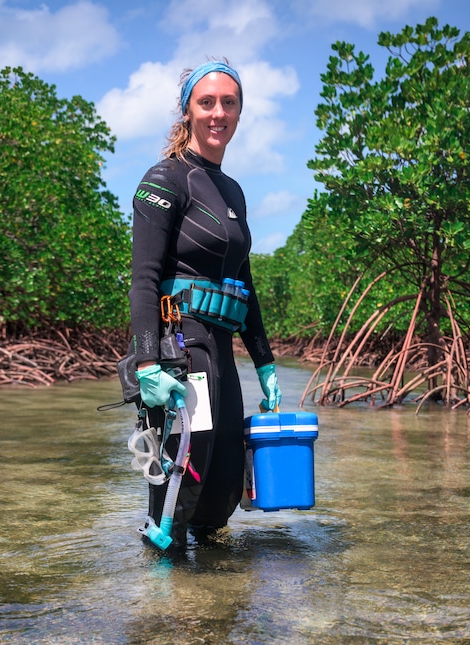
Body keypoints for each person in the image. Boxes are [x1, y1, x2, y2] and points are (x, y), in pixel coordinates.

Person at [129, 60, 282, 549]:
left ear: (239, 113)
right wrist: (148, 363)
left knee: (222, 491)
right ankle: (160, 594)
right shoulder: (166, 179)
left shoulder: (232, 189)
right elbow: (144, 279)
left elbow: (245, 283)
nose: (219, 113)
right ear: (188, 111)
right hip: (180, 344)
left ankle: (212, 611)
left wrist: (265, 364)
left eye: (229, 103)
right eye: (207, 103)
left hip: (220, 345)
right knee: (186, 473)